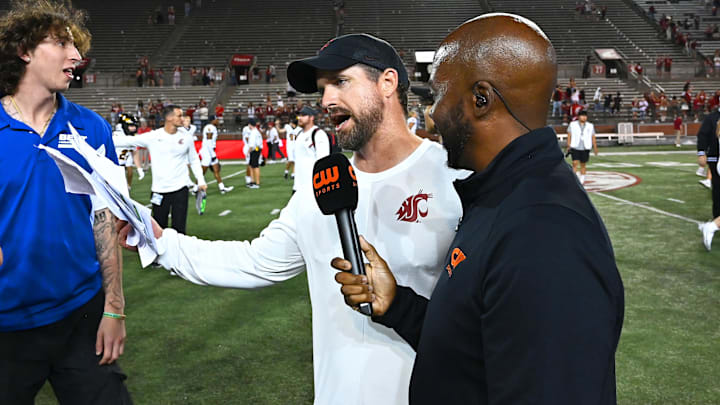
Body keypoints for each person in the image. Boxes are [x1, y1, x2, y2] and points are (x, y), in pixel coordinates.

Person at [118, 33, 466, 405]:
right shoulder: (321, 189)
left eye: (340, 81)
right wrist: (162, 241)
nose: (327, 100)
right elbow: (253, 262)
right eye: (322, 89)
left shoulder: (456, 179)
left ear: (387, 82)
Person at [333, 14, 624, 405]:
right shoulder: (503, 195)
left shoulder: (544, 234)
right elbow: (472, 351)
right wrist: (398, 305)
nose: (432, 115)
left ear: (480, 100)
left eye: (438, 95)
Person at [0, 1, 132, 403]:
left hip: (82, 316)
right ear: (24, 50)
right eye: (61, 44)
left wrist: (114, 309)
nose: (76, 57)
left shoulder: (92, 128)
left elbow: (106, 220)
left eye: (76, 47)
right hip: (7, 327)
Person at [114, 105, 207, 234]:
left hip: (181, 189)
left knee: (179, 230)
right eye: (179, 115)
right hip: (159, 190)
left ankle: (178, 254)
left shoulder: (186, 138)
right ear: (169, 118)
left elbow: (194, 160)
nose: (183, 118)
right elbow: (130, 141)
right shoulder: (153, 137)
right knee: (158, 230)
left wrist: (201, 180)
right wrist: (99, 138)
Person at [697, 106, 720, 250]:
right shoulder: (713, 118)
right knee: (717, 194)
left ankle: (713, 225)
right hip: (716, 159)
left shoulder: (716, 121)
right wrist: (701, 152)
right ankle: (711, 226)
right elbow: (703, 136)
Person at [293, 105, 330, 193]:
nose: (300, 118)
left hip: (312, 186)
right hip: (298, 186)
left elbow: (323, 162)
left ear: (311, 118)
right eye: (299, 115)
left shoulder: (318, 134)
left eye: (303, 115)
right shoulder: (299, 135)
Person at [200, 116, 234, 193]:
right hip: (207, 152)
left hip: (210, 151)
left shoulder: (212, 127)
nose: (217, 121)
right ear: (212, 120)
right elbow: (208, 141)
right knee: (202, 172)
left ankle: (222, 188)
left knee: (216, 170)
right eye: (216, 119)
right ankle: (195, 188)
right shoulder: (210, 127)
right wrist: (212, 155)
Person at [113, 113, 145, 190]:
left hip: (124, 160)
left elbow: (135, 152)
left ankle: (128, 186)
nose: (134, 128)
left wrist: (139, 168)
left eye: (135, 126)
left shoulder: (132, 137)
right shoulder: (116, 135)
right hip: (113, 165)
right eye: (131, 126)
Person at [566, 110, 598, 184]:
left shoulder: (590, 125)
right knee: (574, 163)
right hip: (575, 146)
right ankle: (574, 179)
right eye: (582, 116)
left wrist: (595, 147)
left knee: (583, 164)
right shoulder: (572, 124)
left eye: (585, 116)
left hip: (585, 146)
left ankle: (582, 179)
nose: (584, 117)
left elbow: (593, 136)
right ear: (578, 117)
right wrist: (568, 145)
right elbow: (569, 135)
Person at [245, 118, 263, 188]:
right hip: (257, 149)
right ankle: (252, 182)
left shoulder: (253, 132)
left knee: (255, 166)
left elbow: (251, 145)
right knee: (252, 166)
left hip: (254, 150)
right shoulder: (257, 132)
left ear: (250, 125)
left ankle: (257, 183)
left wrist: (248, 152)